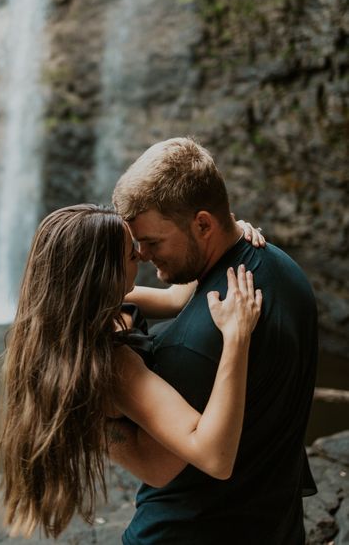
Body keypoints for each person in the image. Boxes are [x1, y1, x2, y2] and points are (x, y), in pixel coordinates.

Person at [0, 203, 262, 539]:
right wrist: (237, 338)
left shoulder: (81, 311)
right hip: (186, 516)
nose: (144, 256)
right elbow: (215, 457)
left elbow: (176, 299)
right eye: (132, 256)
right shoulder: (116, 366)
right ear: (103, 274)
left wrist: (225, 238)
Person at [111, 136, 318, 545]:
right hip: (274, 526)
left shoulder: (194, 344)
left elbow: (156, 464)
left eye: (152, 242)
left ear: (203, 224)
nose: (144, 255)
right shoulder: (283, 269)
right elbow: (174, 297)